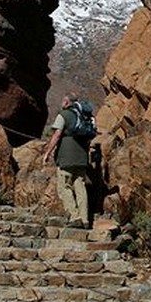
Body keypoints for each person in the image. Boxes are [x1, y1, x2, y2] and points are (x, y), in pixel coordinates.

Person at [42, 95, 93, 228]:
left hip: (66, 157)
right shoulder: (86, 117)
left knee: (64, 187)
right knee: (81, 188)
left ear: (66, 102)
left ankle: (74, 217)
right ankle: (85, 219)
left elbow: (57, 134)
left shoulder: (63, 115)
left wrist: (47, 152)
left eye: (63, 101)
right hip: (81, 157)